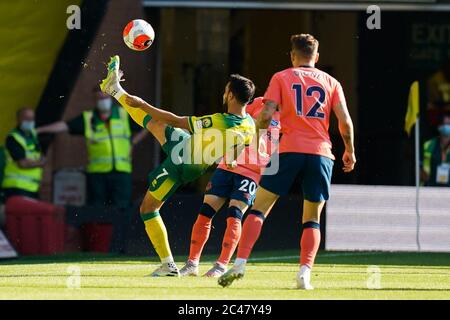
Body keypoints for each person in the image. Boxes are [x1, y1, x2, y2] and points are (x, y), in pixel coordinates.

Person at [218, 34, 356, 290]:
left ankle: (240, 264)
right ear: (316, 57)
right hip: (321, 153)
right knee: (312, 218)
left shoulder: (282, 77)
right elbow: (345, 121)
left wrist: (257, 141)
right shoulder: (332, 82)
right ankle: (304, 274)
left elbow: (266, 114)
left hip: (289, 150)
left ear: (293, 56)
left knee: (259, 208)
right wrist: (350, 150)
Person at [100, 55, 256, 277]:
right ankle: (115, 89)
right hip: (188, 148)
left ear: (230, 95)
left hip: (181, 162)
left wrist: (144, 104)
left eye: (225, 89)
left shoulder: (220, 120)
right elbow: (241, 145)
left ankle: (168, 266)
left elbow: (177, 120)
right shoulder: (248, 123)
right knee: (155, 123)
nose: (223, 92)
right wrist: (230, 157)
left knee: (148, 208)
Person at [179, 97, 280, 277]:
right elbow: (238, 118)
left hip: (253, 171)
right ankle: (192, 263)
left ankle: (221, 265)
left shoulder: (290, 115)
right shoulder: (259, 102)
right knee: (205, 213)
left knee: (234, 215)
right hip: (227, 164)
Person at [36, 87, 147, 211]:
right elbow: (64, 125)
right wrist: (41, 130)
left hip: (121, 172)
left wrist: (133, 142)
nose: (103, 101)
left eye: (105, 97)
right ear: (94, 101)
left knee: (121, 209)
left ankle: (119, 231)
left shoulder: (122, 115)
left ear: (111, 98)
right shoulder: (88, 118)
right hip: (97, 173)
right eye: (99, 98)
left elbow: (146, 124)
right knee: (97, 208)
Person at [2, 108, 46, 199]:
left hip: (31, 188)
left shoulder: (32, 136)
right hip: (16, 187)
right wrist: (41, 163)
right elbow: (23, 163)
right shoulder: (13, 138)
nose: (30, 122)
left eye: (32, 119)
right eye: (27, 119)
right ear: (19, 119)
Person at [422, 114, 450, 186]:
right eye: (444, 124)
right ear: (439, 127)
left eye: (448, 124)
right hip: (432, 189)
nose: (446, 127)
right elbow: (421, 169)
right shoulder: (428, 145)